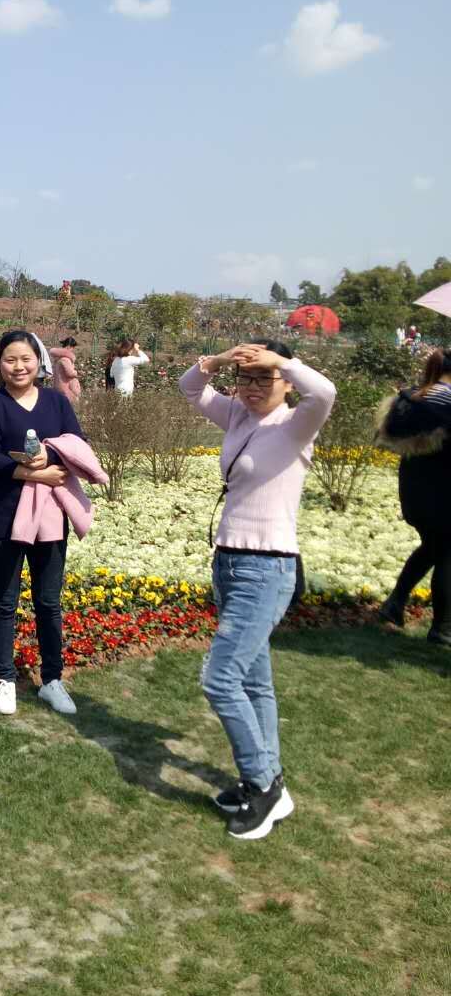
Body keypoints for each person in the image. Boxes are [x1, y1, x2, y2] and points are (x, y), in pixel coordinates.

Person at [180, 339, 335, 841]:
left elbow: (325, 392)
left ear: (286, 382)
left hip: (266, 569)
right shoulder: (238, 416)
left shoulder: (296, 425)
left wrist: (280, 362)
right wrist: (224, 359)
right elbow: (190, 386)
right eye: (245, 378)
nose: (250, 387)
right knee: (253, 682)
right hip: (229, 562)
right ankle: (271, 782)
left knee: (220, 679)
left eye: (263, 379)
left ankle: (262, 783)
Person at [0, 331, 87, 716]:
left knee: (48, 601)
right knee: (5, 600)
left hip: (50, 517)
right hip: (3, 516)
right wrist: (35, 474)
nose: (19, 367)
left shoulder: (56, 402)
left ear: (39, 361)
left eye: (26, 359)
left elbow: (78, 444)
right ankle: (5, 678)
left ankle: (52, 680)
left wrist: (50, 457)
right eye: (10, 359)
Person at [376, 346, 451, 646]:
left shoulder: (411, 398)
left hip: (415, 493)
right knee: (446, 554)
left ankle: (394, 604)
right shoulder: (448, 403)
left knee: (433, 547)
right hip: (445, 494)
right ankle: (443, 628)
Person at [48, 337, 81, 405]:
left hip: (59, 384)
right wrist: (76, 372)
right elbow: (70, 373)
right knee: (69, 406)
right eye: (73, 347)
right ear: (69, 346)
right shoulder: (65, 359)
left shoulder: (58, 358)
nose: (73, 350)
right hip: (67, 387)